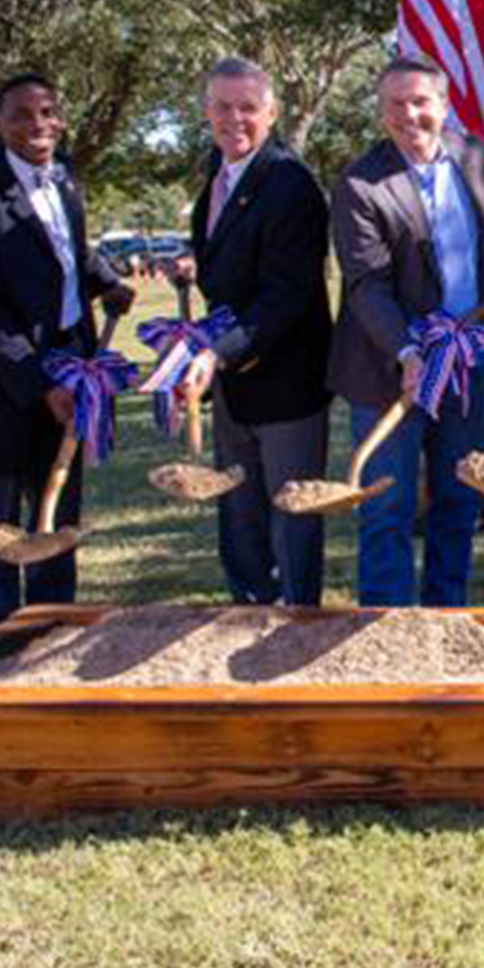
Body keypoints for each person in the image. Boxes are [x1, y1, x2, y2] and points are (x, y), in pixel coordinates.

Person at [0, 72, 134, 635]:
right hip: (4, 387)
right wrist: (39, 382)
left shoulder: (66, 181)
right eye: (21, 115)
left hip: (72, 370)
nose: (37, 125)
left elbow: (68, 250)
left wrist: (107, 281)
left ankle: (50, 630)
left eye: (47, 111)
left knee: (57, 515)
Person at [328, 54, 484, 606]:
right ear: (380, 112)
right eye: (395, 104)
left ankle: (445, 619)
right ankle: (387, 629)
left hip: (466, 360)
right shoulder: (360, 185)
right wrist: (409, 353)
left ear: (443, 105)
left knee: (459, 497)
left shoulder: (473, 154)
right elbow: (367, 286)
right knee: (387, 507)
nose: (409, 115)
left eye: (420, 102)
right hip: (390, 368)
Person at [167, 56, 334, 607]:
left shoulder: (289, 183)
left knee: (291, 513)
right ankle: (249, 611)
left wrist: (217, 352)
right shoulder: (217, 174)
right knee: (239, 515)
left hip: (286, 383)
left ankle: (297, 620)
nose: (233, 119)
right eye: (222, 107)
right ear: (205, 111)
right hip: (232, 382)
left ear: (272, 113)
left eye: (247, 108)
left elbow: (286, 295)